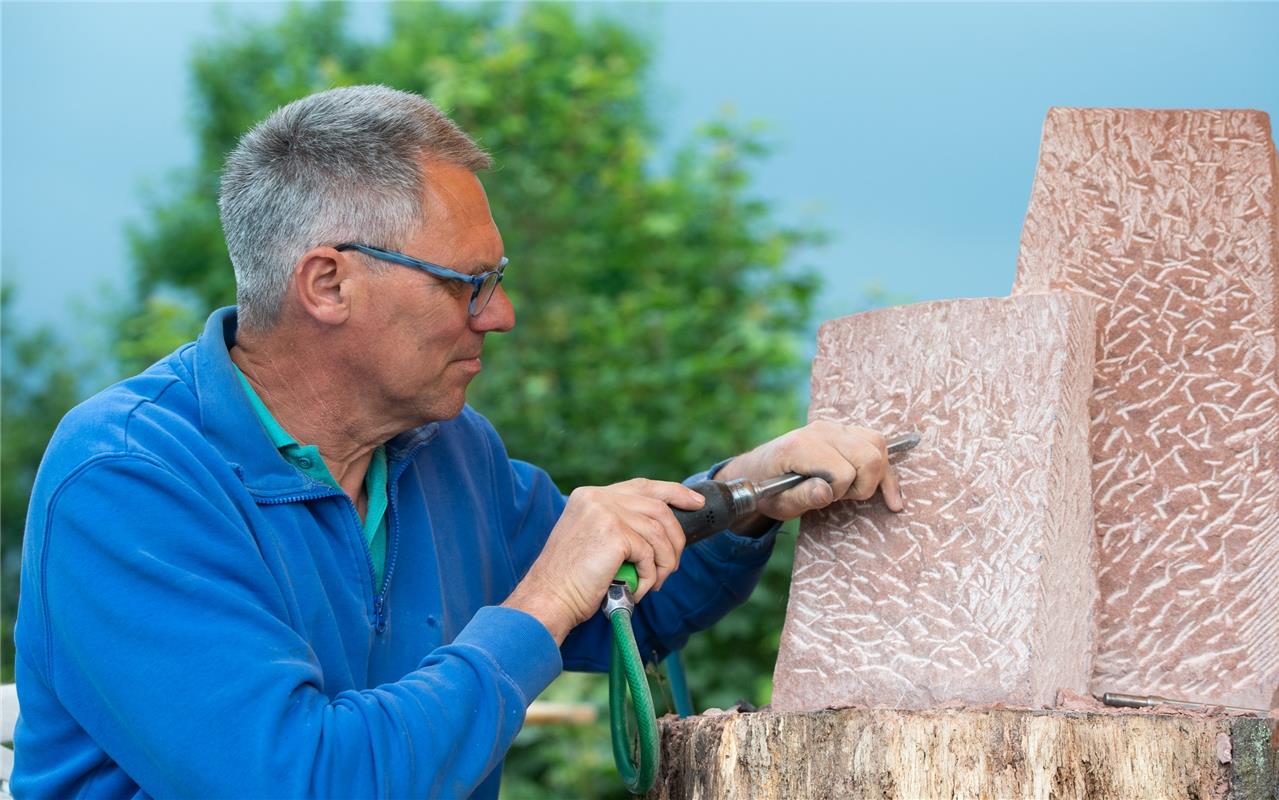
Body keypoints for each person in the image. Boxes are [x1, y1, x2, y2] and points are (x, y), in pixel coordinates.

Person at [13, 85, 903, 799]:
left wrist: (748, 494)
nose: (501, 315)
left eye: (498, 282)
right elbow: (301, 781)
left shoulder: (448, 453)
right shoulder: (127, 481)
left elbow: (630, 609)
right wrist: (547, 594)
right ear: (328, 283)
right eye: (467, 285)